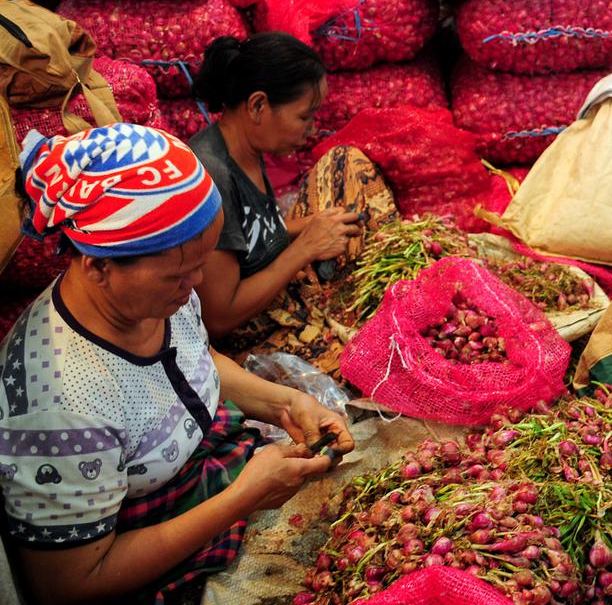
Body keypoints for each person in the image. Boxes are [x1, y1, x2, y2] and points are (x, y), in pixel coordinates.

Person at [1, 123, 356, 604]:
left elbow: (193, 360)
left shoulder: (159, 294)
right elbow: (68, 584)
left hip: (201, 464)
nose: (195, 285)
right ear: (98, 266)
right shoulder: (60, 405)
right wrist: (242, 498)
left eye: (201, 264)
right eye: (179, 273)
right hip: (139, 543)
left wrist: (287, 403)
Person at [187, 33, 365, 341]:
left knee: (346, 161)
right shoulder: (211, 175)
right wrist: (306, 247)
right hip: (246, 336)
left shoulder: (248, 149)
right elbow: (218, 317)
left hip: (275, 291)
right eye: (304, 117)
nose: (312, 130)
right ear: (257, 105)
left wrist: (310, 226)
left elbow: (253, 239)